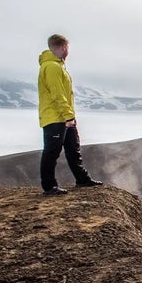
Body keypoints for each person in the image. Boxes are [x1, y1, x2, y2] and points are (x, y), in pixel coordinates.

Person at [38, 34, 102, 195]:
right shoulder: (52, 67)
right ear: (63, 47)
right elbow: (57, 94)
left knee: (73, 148)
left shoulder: (57, 66)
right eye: (67, 48)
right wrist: (68, 116)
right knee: (52, 151)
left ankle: (82, 179)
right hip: (55, 118)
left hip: (63, 116)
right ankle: (49, 186)